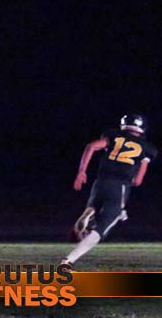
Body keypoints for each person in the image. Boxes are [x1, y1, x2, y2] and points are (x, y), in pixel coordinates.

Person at [62, 113, 156, 268]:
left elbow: (91, 146)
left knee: (97, 207)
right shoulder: (147, 148)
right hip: (120, 186)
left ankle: (91, 210)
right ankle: (68, 261)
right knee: (101, 230)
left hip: (100, 182)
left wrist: (81, 172)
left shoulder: (113, 135)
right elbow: (138, 181)